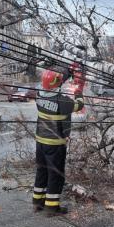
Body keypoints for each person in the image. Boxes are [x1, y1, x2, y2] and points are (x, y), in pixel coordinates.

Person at [32, 65, 84, 216]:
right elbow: (79, 105)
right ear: (57, 84)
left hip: (40, 142)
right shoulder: (63, 101)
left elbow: (52, 85)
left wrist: (67, 72)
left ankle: (37, 203)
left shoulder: (39, 94)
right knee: (55, 174)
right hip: (55, 144)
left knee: (41, 171)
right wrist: (79, 91)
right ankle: (52, 207)